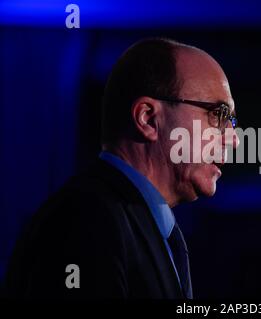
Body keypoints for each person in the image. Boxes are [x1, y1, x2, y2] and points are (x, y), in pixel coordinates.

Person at [5, 38, 239, 299]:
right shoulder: (84, 220)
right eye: (217, 114)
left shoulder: (137, 222)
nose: (234, 139)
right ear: (148, 119)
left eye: (231, 120)